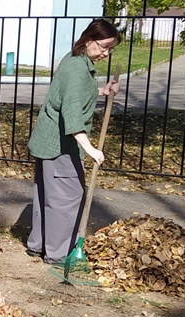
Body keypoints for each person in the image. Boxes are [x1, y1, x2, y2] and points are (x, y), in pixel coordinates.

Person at [26, 19, 121, 265]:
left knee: (47, 192)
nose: (105, 53)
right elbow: (71, 112)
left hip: (48, 140)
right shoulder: (78, 69)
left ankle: (38, 244)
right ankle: (58, 253)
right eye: (103, 47)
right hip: (61, 145)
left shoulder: (74, 58)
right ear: (89, 39)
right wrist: (90, 148)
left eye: (110, 49)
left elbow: (72, 94)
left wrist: (102, 91)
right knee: (68, 195)